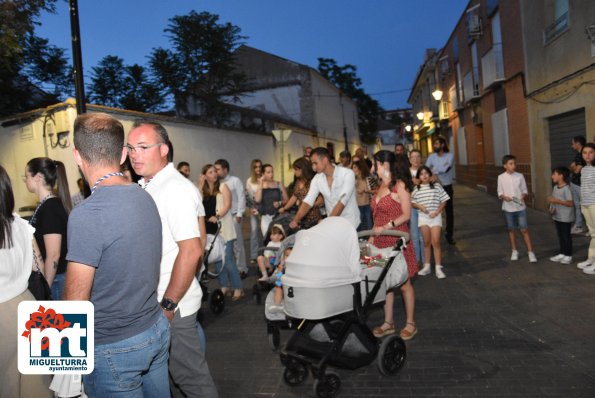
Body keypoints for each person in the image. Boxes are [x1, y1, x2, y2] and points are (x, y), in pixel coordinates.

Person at [64, 113, 170, 397]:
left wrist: (64, 361)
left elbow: (76, 302)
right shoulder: (143, 195)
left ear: (77, 155)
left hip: (114, 346)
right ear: (123, 154)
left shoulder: (87, 213)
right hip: (154, 328)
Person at [128, 120, 218, 398]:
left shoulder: (174, 188)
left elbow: (192, 250)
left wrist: (168, 306)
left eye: (143, 147)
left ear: (164, 149)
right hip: (160, 302)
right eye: (130, 147)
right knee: (174, 378)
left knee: (191, 379)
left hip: (171, 304)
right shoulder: (150, 185)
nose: (134, 154)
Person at [0, 165, 53, 398]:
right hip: (30, 305)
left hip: (3, 315)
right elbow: (38, 267)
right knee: (37, 384)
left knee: (8, 384)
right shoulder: (20, 224)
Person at [369, 150, 418, 341]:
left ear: (383, 164)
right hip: (379, 240)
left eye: (375, 164)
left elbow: (406, 214)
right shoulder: (379, 185)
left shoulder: (400, 186)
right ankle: (388, 323)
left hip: (397, 239)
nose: (372, 168)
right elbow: (376, 215)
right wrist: (373, 234)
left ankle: (410, 323)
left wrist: (387, 227)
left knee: (404, 283)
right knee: (384, 282)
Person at [24, 157, 72, 300]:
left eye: (26, 176)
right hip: (54, 278)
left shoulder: (51, 208)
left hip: (55, 280)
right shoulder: (46, 206)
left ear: (38, 177)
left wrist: (45, 289)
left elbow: (53, 255)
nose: (25, 181)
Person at [200, 164, 244, 301]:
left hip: (223, 226)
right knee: (218, 259)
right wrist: (200, 185)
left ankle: (238, 287)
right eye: (210, 172)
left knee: (228, 260)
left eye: (215, 171)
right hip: (209, 229)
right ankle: (224, 285)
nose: (214, 174)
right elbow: (197, 203)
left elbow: (228, 205)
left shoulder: (223, 186)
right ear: (205, 175)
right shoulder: (203, 189)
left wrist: (217, 216)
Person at [290, 147, 360, 230]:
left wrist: (326, 222)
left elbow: (342, 201)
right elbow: (308, 201)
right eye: (312, 164)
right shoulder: (317, 179)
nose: (314, 167)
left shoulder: (347, 174)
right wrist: (295, 220)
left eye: (315, 163)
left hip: (350, 223)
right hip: (333, 225)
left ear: (325, 160)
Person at [497, 154, 537, 263]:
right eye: (510, 164)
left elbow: (524, 190)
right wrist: (505, 197)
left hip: (520, 207)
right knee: (511, 229)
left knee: (524, 229)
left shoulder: (520, 176)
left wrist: (522, 197)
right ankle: (514, 250)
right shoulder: (501, 177)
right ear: (505, 165)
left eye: (514, 163)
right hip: (508, 208)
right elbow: (500, 192)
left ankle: (530, 252)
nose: (513, 166)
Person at [412, 166, 450, 278]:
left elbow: (444, 201)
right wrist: (420, 206)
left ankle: (438, 267)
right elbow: (412, 202)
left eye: (426, 173)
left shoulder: (437, 186)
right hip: (423, 218)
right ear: (418, 177)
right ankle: (427, 266)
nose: (424, 175)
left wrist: (437, 211)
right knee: (427, 242)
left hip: (435, 217)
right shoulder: (416, 188)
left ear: (430, 175)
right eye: (421, 174)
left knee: (436, 241)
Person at [215, 159, 248, 278]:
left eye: (218, 169)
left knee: (237, 245)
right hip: (221, 218)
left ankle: (242, 269)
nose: (216, 171)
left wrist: (239, 214)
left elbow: (241, 197)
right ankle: (230, 269)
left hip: (234, 216)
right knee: (224, 245)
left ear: (225, 169)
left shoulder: (235, 181)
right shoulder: (216, 183)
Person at [426, 137, 455, 244]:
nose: (435, 146)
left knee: (449, 212)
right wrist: (433, 171)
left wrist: (433, 170)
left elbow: (445, 169)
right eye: (434, 144)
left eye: (437, 144)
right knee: (434, 210)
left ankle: (449, 234)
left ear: (442, 145)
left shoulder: (450, 156)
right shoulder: (431, 156)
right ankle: (434, 233)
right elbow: (426, 169)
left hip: (447, 187)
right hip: (434, 187)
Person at [279, 157, 322, 227]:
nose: (294, 171)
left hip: (314, 217)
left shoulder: (312, 181)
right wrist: (284, 208)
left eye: (296, 169)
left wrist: (310, 205)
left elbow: (321, 198)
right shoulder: (298, 181)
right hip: (302, 216)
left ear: (303, 169)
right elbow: (294, 197)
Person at [547, 167, 574, 264]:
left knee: (566, 236)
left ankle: (568, 255)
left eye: (554, 174)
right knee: (560, 235)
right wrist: (551, 208)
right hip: (557, 216)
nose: (552, 176)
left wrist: (556, 201)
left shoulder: (567, 188)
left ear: (561, 176)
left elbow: (570, 203)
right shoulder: (555, 187)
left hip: (565, 217)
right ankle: (562, 253)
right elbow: (553, 201)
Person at [255, 164, 288, 236]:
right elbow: (257, 200)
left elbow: (286, 199)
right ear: (263, 174)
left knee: (279, 238)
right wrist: (260, 183)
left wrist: (279, 203)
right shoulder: (260, 185)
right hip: (265, 217)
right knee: (267, 239)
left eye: (272, 172)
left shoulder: (279, 184)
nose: (271, 174)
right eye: (268, 172)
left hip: (278, 216)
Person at [578, 143, 595, 275]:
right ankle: (591, 259)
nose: (587, 155)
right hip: (585, 204)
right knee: (593, 234)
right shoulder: (584, 169)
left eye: (590, 152)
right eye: (585, 152)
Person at [409, 150, 425, 265]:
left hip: (424, 207)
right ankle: (416, 259)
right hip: (411, 206)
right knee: (414, 235)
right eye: (413, 157)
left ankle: (425, 259)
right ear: (410, 159)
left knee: (423, 235)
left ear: (421, 158)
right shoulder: (406, 173)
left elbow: (434, 183)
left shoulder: (425, 171)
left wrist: (420, 182)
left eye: (418, 156)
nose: (416, 159)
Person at [246, 159, 263, 262]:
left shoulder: (264, 179)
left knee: (265, 232)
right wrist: (251, 208)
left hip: (264, 208)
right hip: (254, 208)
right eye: (256, 167)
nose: (258, 169)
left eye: (260, 166)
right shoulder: (249, 181)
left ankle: (265, 253)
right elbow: (248, 196)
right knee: (254, 232)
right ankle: (253, 255)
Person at [569, 136, 586, 234]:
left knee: (580, 206)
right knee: (579, 206)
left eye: (573, 143)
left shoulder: (581, 155)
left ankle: (579, 225)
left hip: (579, 184)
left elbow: (576, 170)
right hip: (577, 184)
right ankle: (581, 225)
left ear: (578, 144)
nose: (572, 146)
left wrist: (573, 167)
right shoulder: (579, 154)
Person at [352, 160, 373, 231]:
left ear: (360, 168)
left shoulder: (369, 177)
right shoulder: (352, 179)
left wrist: (365, 190)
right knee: (358, 226)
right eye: (353, 167)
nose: (353, 169)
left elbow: (377, 190)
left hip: (367, 205)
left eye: (355, 167)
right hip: (356, 206)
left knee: (369, 225)